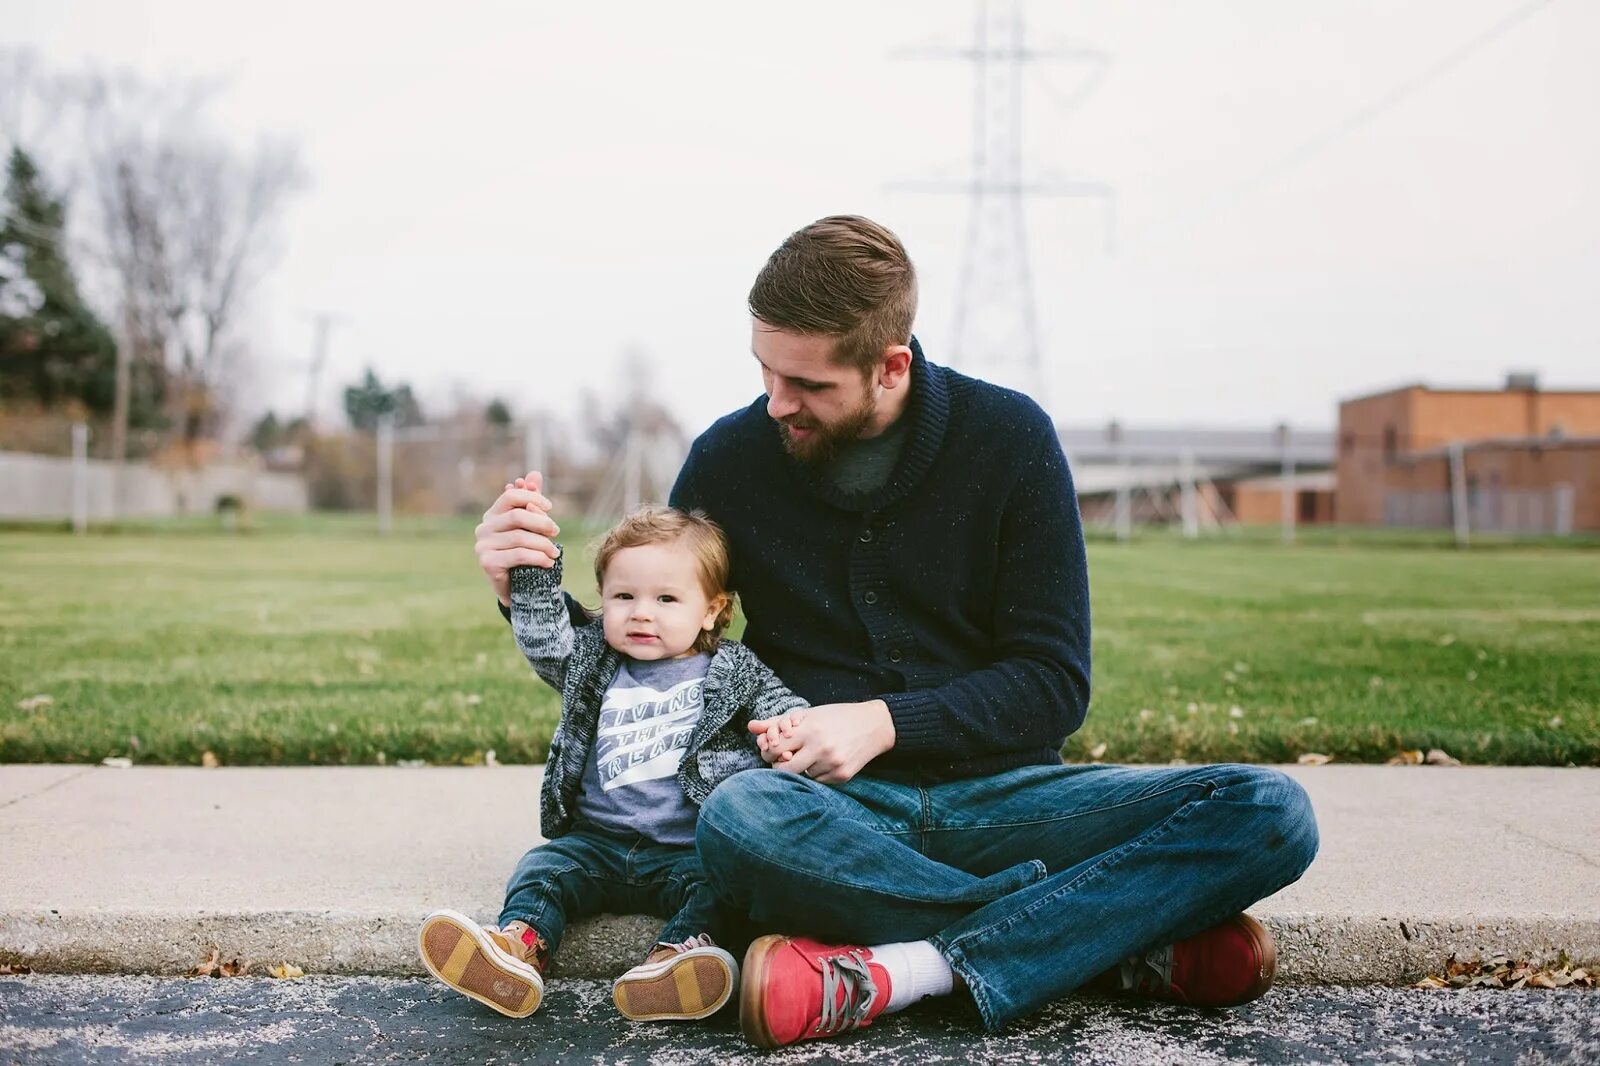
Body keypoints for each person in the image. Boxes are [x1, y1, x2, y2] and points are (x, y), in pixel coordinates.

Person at [472, 215, 1319, 1049]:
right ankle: (1107, 941)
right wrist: (526, 589)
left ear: (890, 366)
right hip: (826, 814)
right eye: (766, 371)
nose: (777, 403)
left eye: (808, 386)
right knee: (733, 820)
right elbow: (654, 636)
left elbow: (1054, 684)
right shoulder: (731, 457)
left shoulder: (1010, 439)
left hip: (1006, 800)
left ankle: (899, 968)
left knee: (1271, 811)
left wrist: (880, 720)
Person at [423, 504, 806, 1023]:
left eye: (666, 599)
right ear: (602, 601)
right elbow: (543, 635)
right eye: (623, 597)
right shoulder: (593, 661)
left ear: (713, 610)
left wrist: (786, 734)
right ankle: (517, 951)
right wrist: (533, 570)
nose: (641, 612)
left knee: (722, 891)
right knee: (543, 869)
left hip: (687, 849)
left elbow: (787, 712)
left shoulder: (734, 669)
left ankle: (674, 965)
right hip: (596, 844)